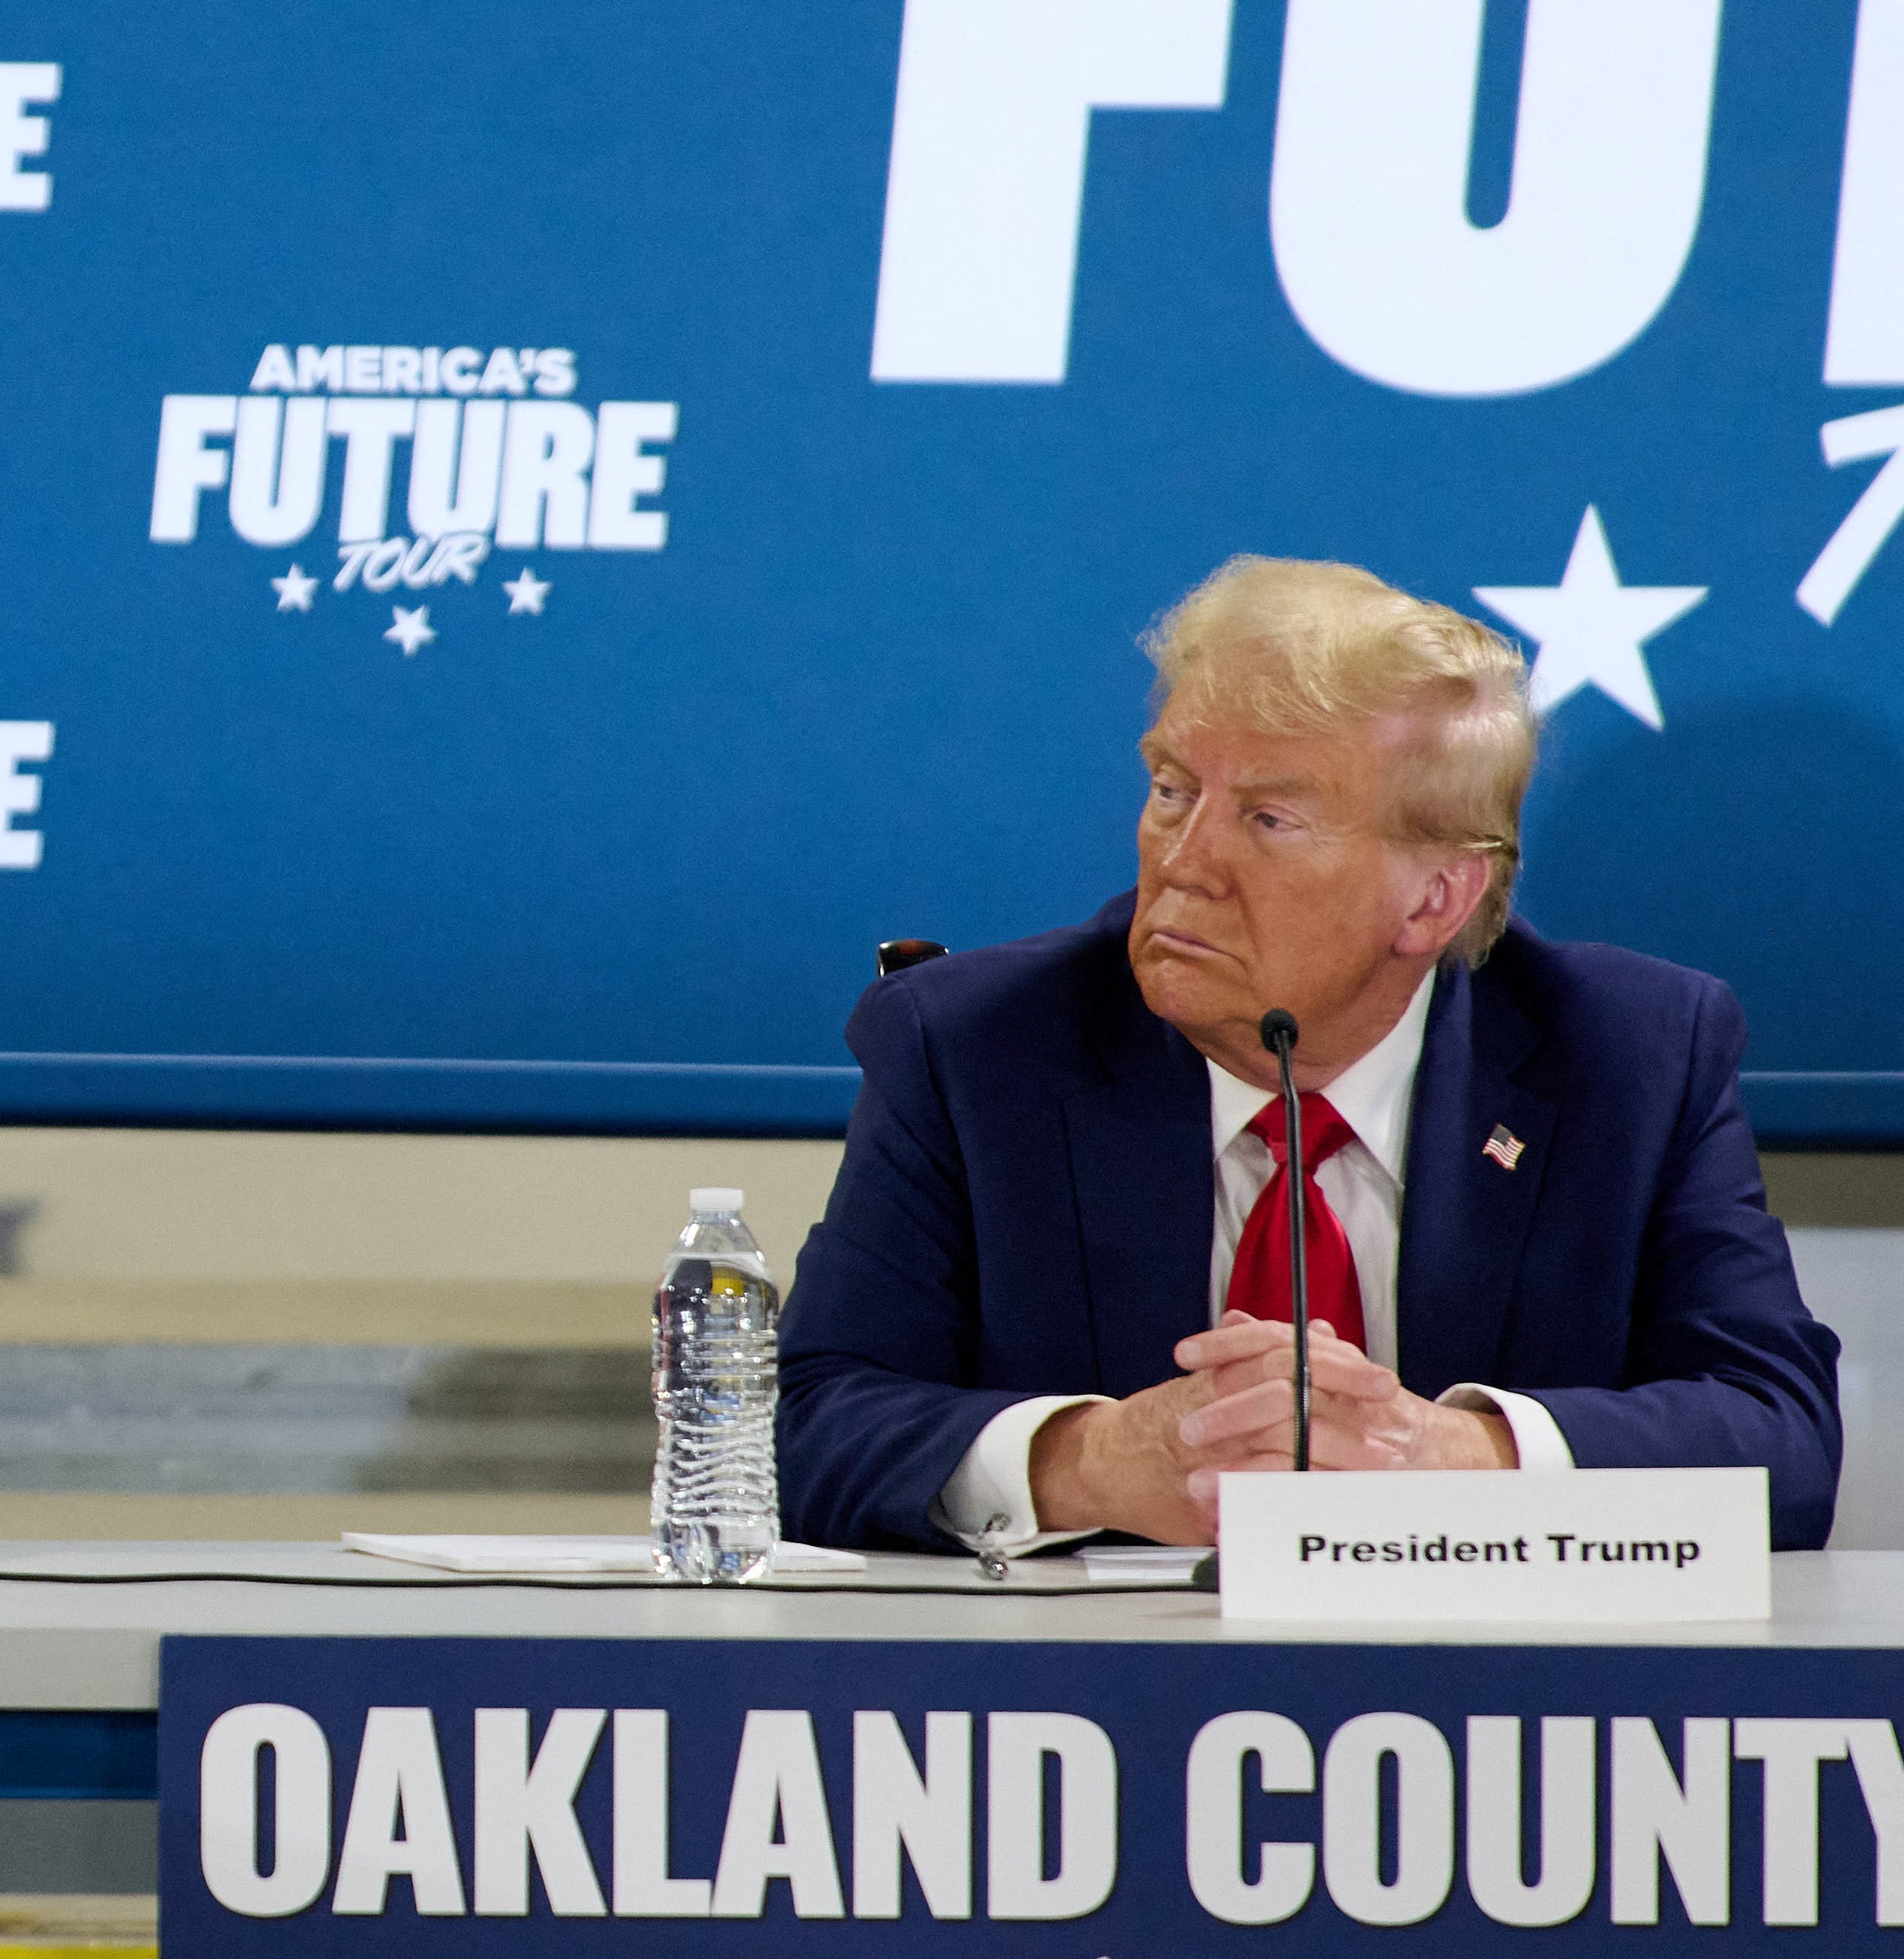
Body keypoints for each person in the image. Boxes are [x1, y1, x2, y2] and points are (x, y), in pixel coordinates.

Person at [777, 555, 1840, 1556]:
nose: (1184, 861)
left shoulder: (1629, 1059)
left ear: (1436, 896)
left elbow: (1781, 1442)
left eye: (1269, 818)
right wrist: (1090, 1460)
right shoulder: (976, 1049)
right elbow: (808, 1428)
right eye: (1171, 789)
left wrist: (1451, 1457)